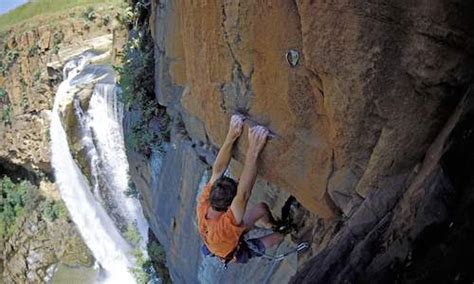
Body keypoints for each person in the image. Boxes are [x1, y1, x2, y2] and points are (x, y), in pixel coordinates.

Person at [196, 114, 288, 264]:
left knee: (262, 208)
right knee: (280, 235)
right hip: (232, 250)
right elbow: (243, 194)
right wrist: (254, 148)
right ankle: (285, 232)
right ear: (229, 206)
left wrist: (232, 134)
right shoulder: (224, 228)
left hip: (220, 238)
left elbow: (217, 170)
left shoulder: (204, 204)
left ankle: (269, 224)